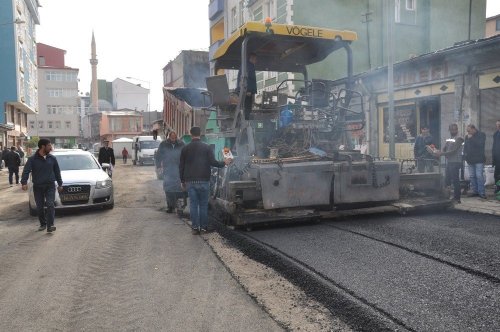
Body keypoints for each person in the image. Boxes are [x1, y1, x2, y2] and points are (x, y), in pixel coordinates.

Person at [179, 126, 232, 234]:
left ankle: (195, 228)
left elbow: (181, 166)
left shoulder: (185, 148)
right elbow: (213, 162)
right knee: (203, 205)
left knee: (193, 205)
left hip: (190, 182)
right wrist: (224, 163)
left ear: (190, 134)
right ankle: (203, 227)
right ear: (200, 134)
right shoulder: (207, 147)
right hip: (204, 181)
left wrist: (182, 181)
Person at [21, 138, 63, 233]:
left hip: (50, 186)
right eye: (49, 145)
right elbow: (26, 171)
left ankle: (50, 225)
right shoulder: (32, 159)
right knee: (39, 207)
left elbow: (57, 172)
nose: (51, 147)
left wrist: (60, 184)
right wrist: (23, 182)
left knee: (50, 204)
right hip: (38, 187)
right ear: (43, 146)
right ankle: (43, 224)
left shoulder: (52, 158)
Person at [435, 124, 464, 204]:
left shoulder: (459, 138)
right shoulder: (450, 138)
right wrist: (438, 151)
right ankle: (446, 195)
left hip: (456, 161)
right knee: (447, 179)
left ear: (457, 129)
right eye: (451, 130)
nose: (452, 131)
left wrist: (442, 154)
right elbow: (445, 147)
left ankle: (457, 198)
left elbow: (454, 151)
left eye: (454, 130)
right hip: (450, 161)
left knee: (455, 180)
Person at [157, 132, 185, 213]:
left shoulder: (181, 144)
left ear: (176, 137)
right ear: (169, 137)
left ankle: (179, 205)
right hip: (167, 169)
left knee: (179, 188)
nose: (173, 139)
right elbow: (158, 156)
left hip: (179, 169)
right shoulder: (163, 144)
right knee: (168, 187)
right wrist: (158, 167)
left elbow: (186, 154)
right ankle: (170, 206)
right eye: (171, 137)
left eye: (174, 137)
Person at [463, 124, 486, 199]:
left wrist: (472, 138)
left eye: (469, 131)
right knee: (472, 176)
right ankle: (475, 191)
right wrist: (465, 156)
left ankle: (481, 192)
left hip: (479, 159)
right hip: (470, 159)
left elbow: (480, 144)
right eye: (467, 131)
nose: (468, 132)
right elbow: (465, 146)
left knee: (479, 175)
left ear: (473, 129)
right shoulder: (467, 137)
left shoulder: (481, 135)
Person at [236, 52, 257, 120]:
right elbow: (249, 78)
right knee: (247, 107)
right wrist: (248, 90)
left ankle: (246, 120)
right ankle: (246, 120)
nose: (256, 61)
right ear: (252, 58)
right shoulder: (249, 66)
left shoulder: (246, 65)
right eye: (255, 59)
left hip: (245, 91)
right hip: (246, 91)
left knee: (246, 107)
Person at [492, 120, 500, 193]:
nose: (498, 126)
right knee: (496, 174)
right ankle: (497, 188)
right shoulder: (496, 134)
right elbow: (494, 146)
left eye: (499, 124)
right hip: (497, 158)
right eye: (497, 125)